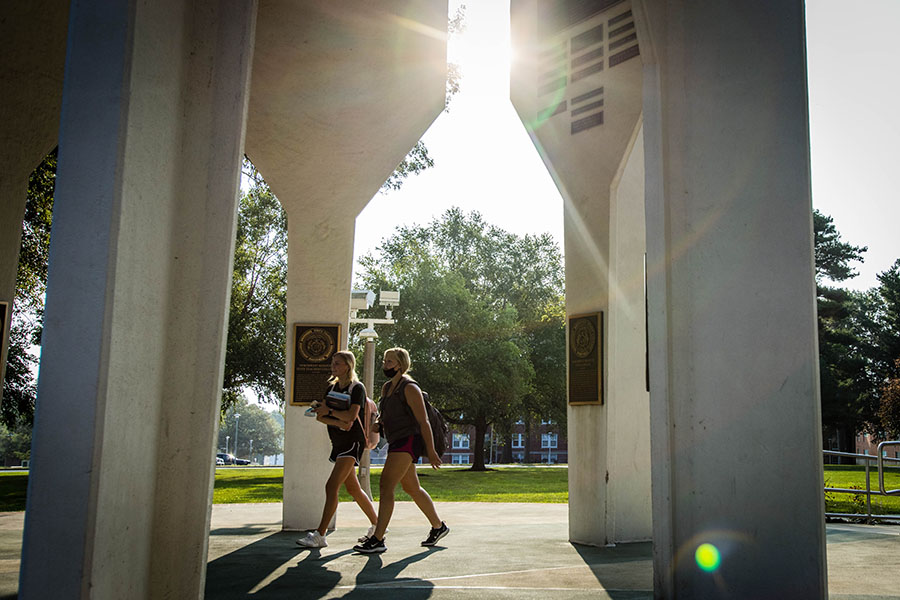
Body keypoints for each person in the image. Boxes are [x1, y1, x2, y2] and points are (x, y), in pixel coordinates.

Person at [353, 347, 449, 554]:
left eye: (389, 362)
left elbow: (423, 422)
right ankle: (438, 526)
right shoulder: (387, 388)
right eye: (384, 361)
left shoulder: (410, 388)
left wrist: (431, 451)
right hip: (396, 440)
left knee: (386, 484)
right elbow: (386, 413)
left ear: (400, 365)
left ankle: (378, 538)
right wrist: (379, 423)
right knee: (412, 488)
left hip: (409, 440)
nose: (385, 365)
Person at [296, 350, 379, 548]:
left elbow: (351, 417)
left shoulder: (357, 388)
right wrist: (334, 418)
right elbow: (321, 417)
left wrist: (332, 413)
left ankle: (320, 535)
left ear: (348, 366)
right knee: (353, 489)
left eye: (338, 364)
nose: (333, 367)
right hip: (338, 442)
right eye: (333, 363)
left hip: (352, 443)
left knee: (331, 486)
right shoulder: (331, 388)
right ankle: (378, 526)